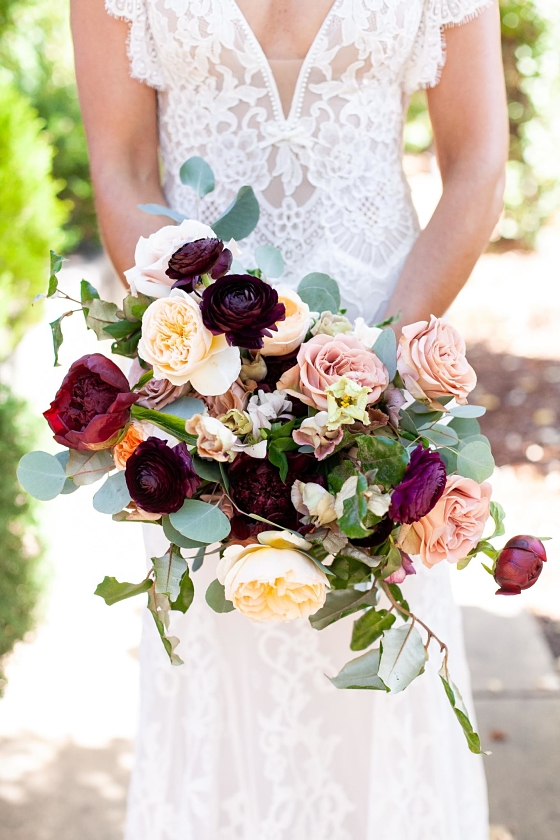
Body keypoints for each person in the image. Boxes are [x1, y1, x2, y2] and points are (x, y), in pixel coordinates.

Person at [71, 1, 508, 838]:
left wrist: (376, 374)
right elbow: (123, 170)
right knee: (219, 659)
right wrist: (207, 371)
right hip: (202, 400)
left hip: (389, 387)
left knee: (385, 668)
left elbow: (479, 163)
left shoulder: (383, 386)